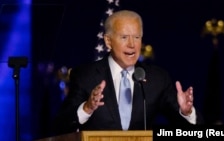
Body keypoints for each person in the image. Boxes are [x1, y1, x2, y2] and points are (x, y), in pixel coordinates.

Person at [53, 9, 203, 135]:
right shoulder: (86, 75)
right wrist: (86, 108)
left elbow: (189, 129)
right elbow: (60, 125)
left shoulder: (157, 78)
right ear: (108, 41)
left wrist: (187, 113)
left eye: (137, 37)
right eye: (124, 37)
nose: (132, 45)